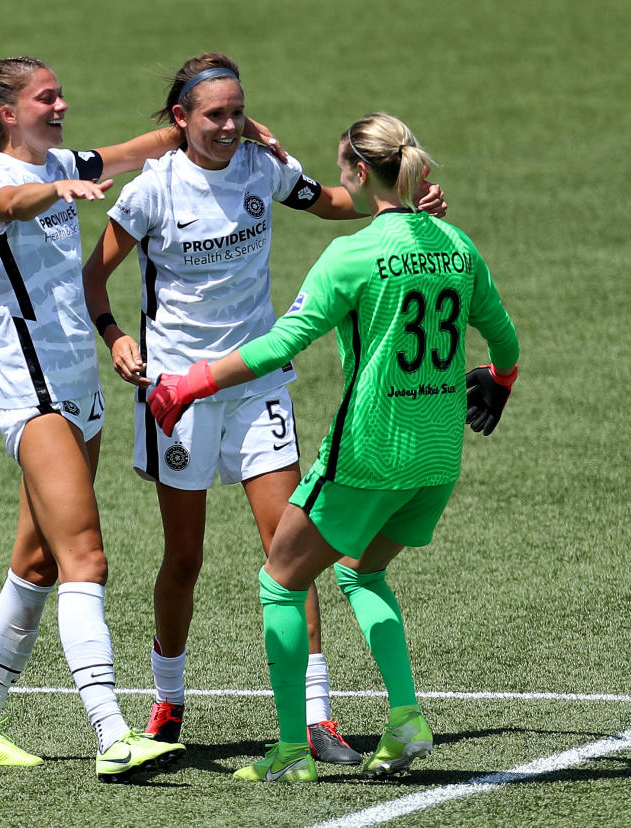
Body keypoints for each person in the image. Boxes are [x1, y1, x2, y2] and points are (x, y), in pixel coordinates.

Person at [81, 54, 448, 764]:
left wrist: (410, 210)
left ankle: (315, 718)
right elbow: (94, 275)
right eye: (214, 114)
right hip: (178, 395)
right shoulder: (153, 190)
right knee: (183, 558)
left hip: (257, 387)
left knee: (290, 551)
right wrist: (116, 337)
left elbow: (340, 206)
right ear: (181, 119)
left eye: (237, 111)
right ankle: (168, 697)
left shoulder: (262, 169)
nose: (228, 125)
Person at [145, 112, 520, 782]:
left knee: (279, 582)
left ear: (353, 169)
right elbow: (506, 340)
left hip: (368, 454)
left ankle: (292, 751)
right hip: (436, 460)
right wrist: (500, 381)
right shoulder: (458, 246)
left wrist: (192, 383)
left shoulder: (351, 255)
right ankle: (404, 717)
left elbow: (279, 345)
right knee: (359, 571)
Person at [0, 56, 274, 783]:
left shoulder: (63, 160)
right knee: (86, 559)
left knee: (35, 563)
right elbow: (10, 209)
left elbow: (144, 148)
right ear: (9, 112)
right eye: (47, 96)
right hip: (33, 397)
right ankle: (111, 732)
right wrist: (53, 189)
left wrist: (242, 128)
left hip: (82, 392)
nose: (62, 103)